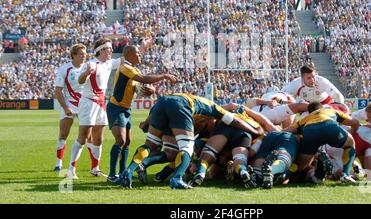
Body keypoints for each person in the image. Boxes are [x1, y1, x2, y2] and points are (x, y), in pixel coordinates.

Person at [119, 93, 264, 189]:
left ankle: (129, 171)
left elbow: (162, 104)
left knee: (163, 150)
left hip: (161, 103)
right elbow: (234, 121)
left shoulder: (201, 111)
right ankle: (176, 179)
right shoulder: (213, 108)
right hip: (181, 106)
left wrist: (146, 121)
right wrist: (255, 131)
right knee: (187, 148)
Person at [66, 38, 151, 179]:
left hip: (100, 103)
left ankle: (95, 168)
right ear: (101, 50)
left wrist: (142, 47)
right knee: (83, 137)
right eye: (109, 48)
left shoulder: (109, 63)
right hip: (88, 103)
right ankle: (71, 169)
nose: (111, 50)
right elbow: (80, 81)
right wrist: (86, 73)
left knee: (98, 139)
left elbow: (129, 57)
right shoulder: (91, 64)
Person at [106, 45, 178, 182]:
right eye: (138, 53)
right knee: (120, 140)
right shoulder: (125, 68)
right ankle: (111, 175)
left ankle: (122, 172)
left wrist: (147, 92)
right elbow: (144, 79)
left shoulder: (133, 70)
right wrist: (164, 76)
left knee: (127, 142)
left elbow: (139, 90)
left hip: (126, 109)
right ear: (129, 54)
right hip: (116, 108)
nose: (140, 55)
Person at [287, 102, 359, 183]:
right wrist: (351, 133)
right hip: (330, 127)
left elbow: (288, 131)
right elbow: (355, 122)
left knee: (301, 164)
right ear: (322, 108)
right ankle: (345, 174)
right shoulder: (331, 111)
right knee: (350, 144)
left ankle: (281, 175)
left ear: (309, 112)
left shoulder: (303, 119)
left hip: (310, 131)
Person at [53, 44, 94, 171]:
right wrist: (65, 107)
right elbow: (58, 91)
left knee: (89, 136)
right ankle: (58, 163)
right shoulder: (64, 69)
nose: (84, 56)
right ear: (74, 55)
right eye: (81, 54)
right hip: (69, 104)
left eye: (85, 53)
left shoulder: (90, 67)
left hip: (85, 105)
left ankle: (94, 166)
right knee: (63, 134)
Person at [281, 65, 348, 113]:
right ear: (302, 77)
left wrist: (340, 110)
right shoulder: (295, 84)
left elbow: (337, 95)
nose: (312, 80)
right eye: (308, 78)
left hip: (326, 103)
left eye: (313, 76)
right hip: (308, 106)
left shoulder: (322, 81)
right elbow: (282, 94)